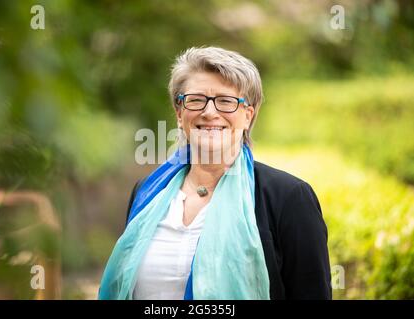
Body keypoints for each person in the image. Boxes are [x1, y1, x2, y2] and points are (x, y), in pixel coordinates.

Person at [99, 46, 332, 300]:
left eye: (226, 101)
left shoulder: (288, 198)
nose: (209, 112)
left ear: (247, 116)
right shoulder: (146, 193)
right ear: (179, 113)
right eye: (196, 100)